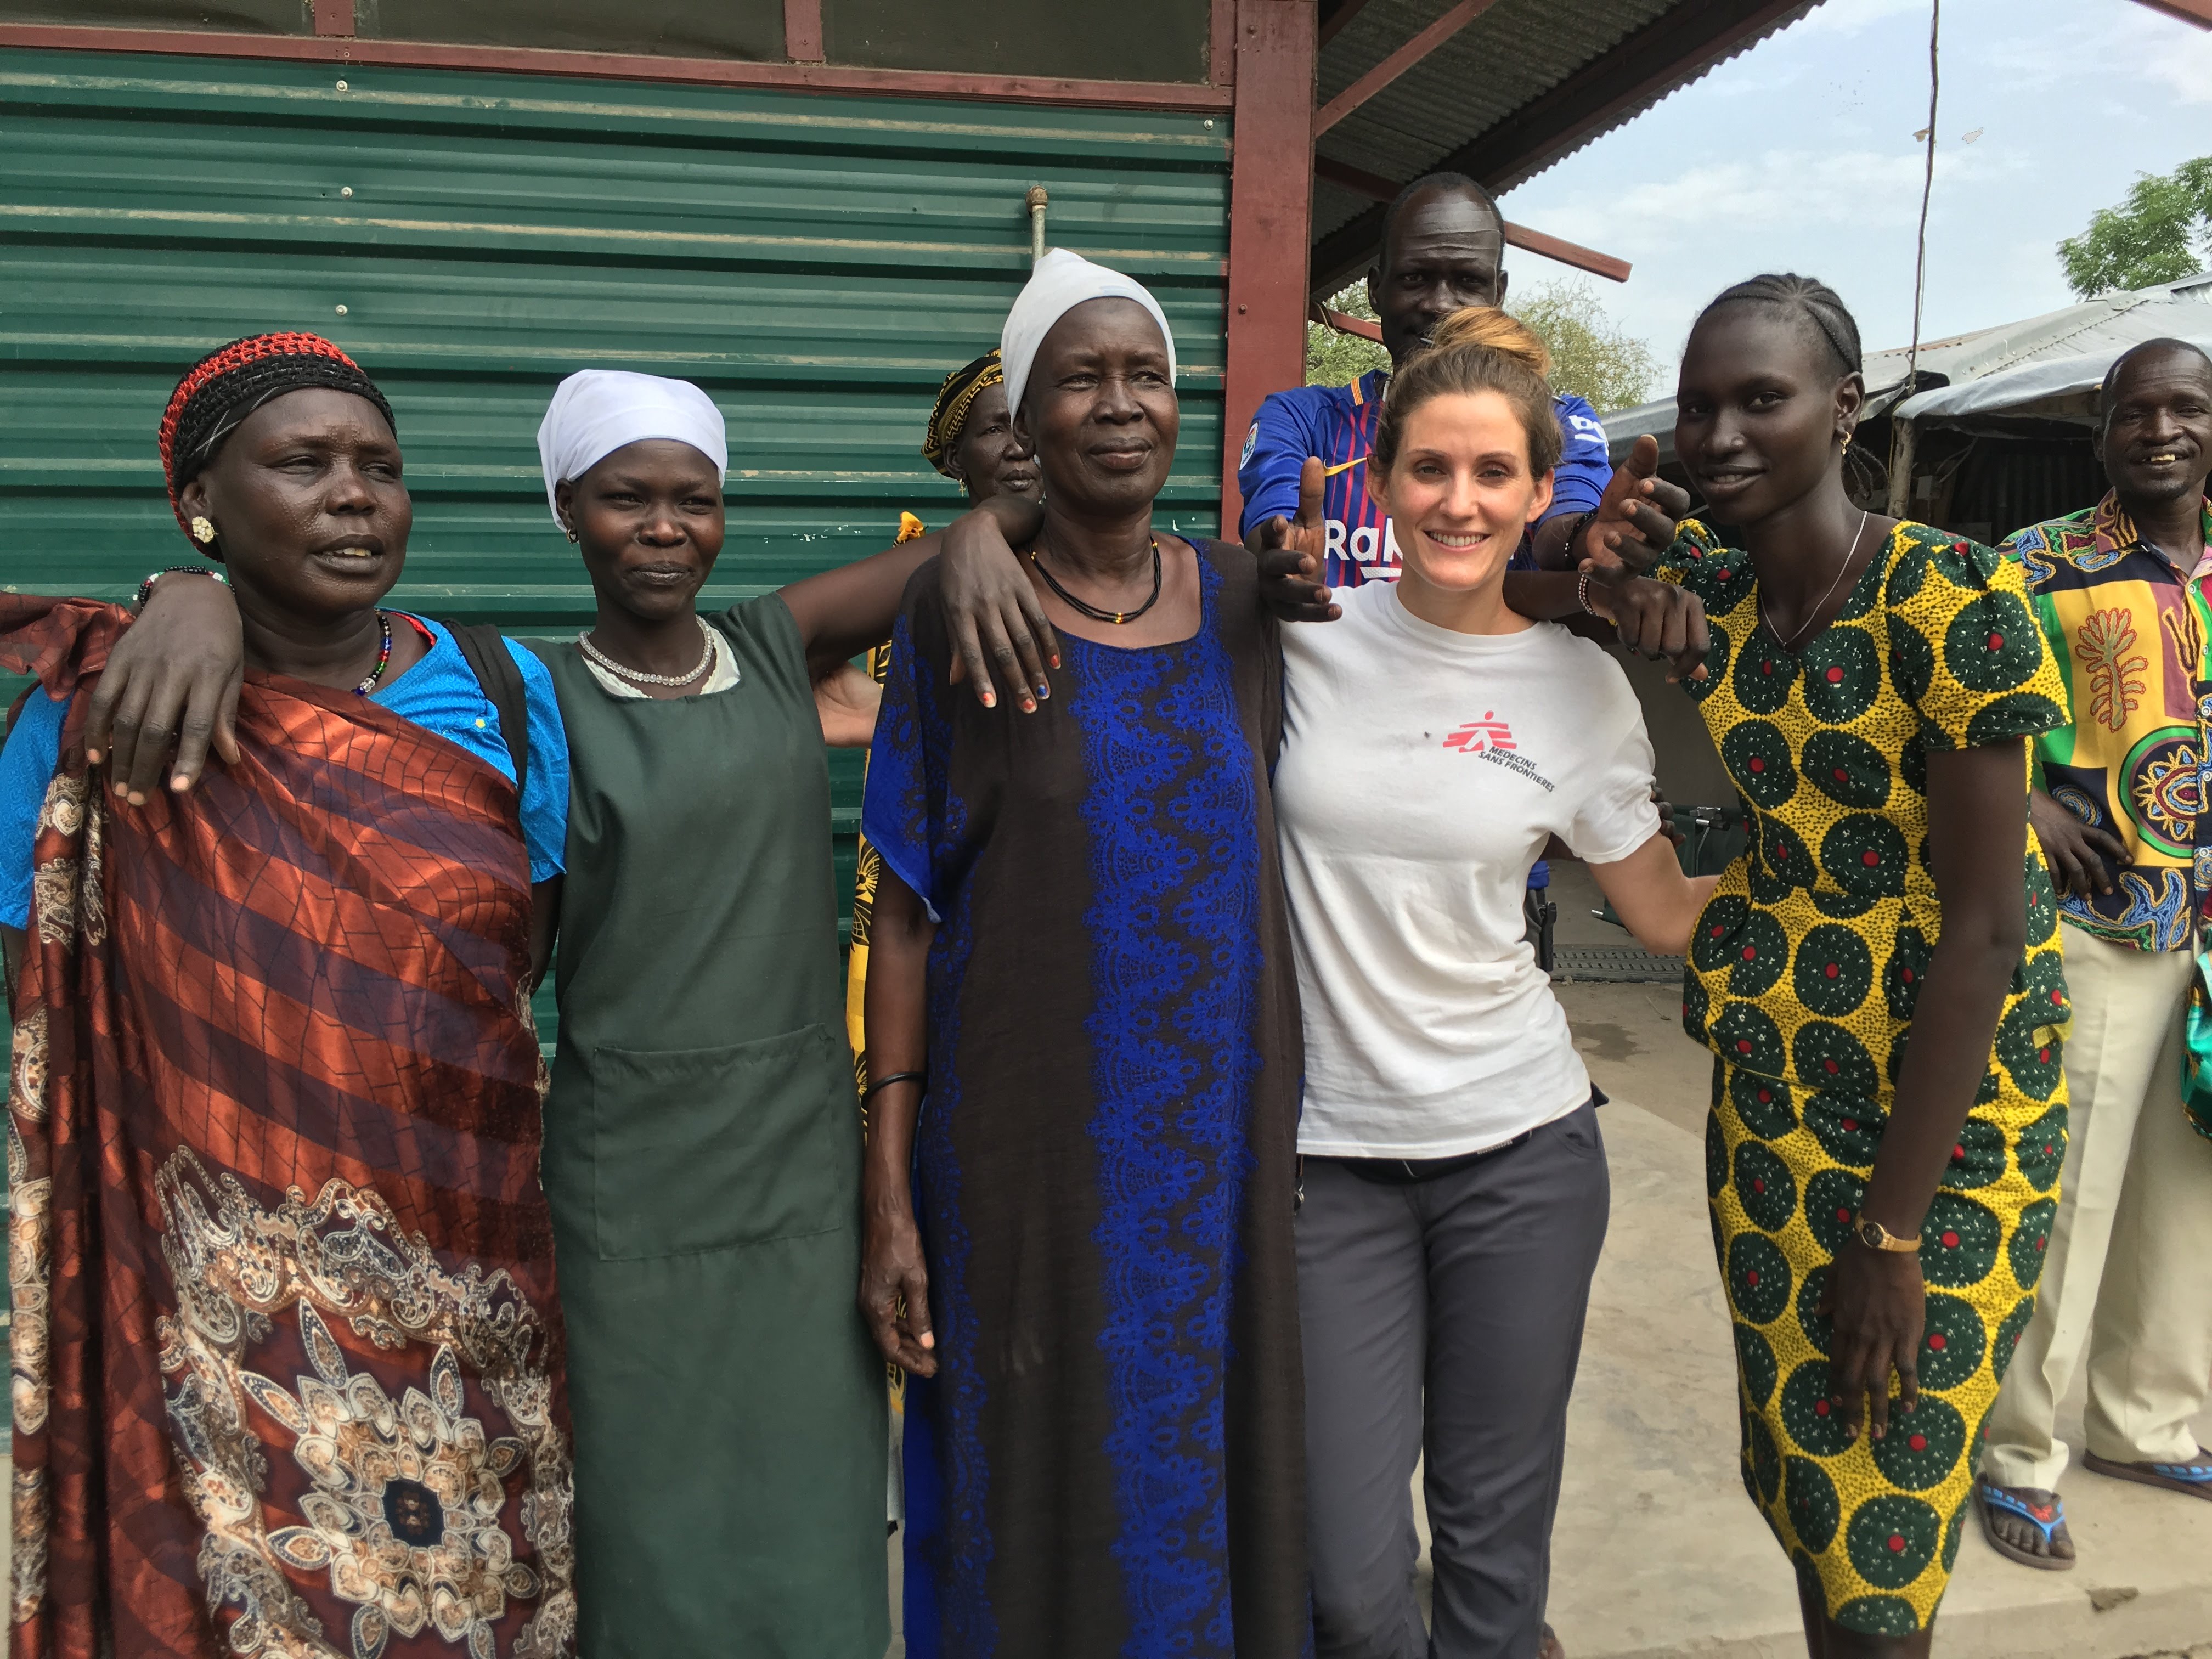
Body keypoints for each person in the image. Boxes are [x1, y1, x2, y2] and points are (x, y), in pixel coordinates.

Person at [89, 362, 1054, 1656]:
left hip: (798, 1180)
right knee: (639, 1522)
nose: (663, 529)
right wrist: (185, 585)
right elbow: (494, 975)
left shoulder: (775, 648)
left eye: (693, 500)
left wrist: (984, 532)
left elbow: (985, 540)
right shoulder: (524, 697)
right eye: (624, 498)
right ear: (565, 510)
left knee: (815, 1515)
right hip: (623, 1187)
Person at [0, 333, 578, 1658]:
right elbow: (44, 983)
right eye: (303, 463)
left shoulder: (500, 690)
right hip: (206, 1284)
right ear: (201, 504)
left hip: (464, 1266)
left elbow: (509, 966)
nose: (355, 493)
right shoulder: (96, 715)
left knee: (468, 1606)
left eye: (380, 465)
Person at [858, 249, 1310, 1657]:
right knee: (1028, 1486)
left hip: (1214, 1151)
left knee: (1197, 1478)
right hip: (1020, 1156)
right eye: (1081, 378)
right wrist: (888, 1190)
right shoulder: (958, 610)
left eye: (1148, 376)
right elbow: (908, 905)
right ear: (1028, 419)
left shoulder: (1248, 604)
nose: (1121, 405)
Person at [1634, 274, 2074, 1655]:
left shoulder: (1955, 599)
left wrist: (1892, 1233)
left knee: (1895, 1513)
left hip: (1947, 1117)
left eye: (1760, 399)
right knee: (1817, 1481)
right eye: (1699, 405)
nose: (1718, 434)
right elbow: (1508, 580)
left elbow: (1989, 932)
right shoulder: (1705, 582)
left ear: (1846, 407)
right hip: (1773, 1095)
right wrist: (1602, 556)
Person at [1274, 307, 1717, 1659]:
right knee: (1348, 1587)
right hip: (1325, 1168)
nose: (1457, 502)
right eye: (1429, 470)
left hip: (1521, 1159)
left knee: (1489, 1559)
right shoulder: (1294, 641)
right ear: (1381, 480)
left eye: (1490, 475)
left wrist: (1869, 850)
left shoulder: (1583, 691)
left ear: (1537, 493)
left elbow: (1656, 913)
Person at [1976, 337, 2212, 1566]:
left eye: (2187, 409)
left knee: (2190, 1202)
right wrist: (2027, 805)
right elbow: (1962, 714)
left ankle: (2149, 1422)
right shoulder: (2040, 562)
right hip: (2100, 928)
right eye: (2138, 410)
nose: (2161, 430)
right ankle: (2019, 1454)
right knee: (2066, 1199)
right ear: (2103, 426)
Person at [1237, 170, 1685, 586]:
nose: (1440, 305)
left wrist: (1589, 537)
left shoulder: (1560, 420)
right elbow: (1273, 531)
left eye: (1468, 282)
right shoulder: (1302, 419)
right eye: (1416, 277)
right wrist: (1283, 560)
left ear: (1498, 293)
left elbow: (1562, 531)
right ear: (1376, 289)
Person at [848, 347, 1040, 1087]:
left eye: (1029, 424)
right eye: (996, 431)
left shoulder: (1122, 576)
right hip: (954, 897)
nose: (1020, 446)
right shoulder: (921, 583)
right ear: (959, 462)